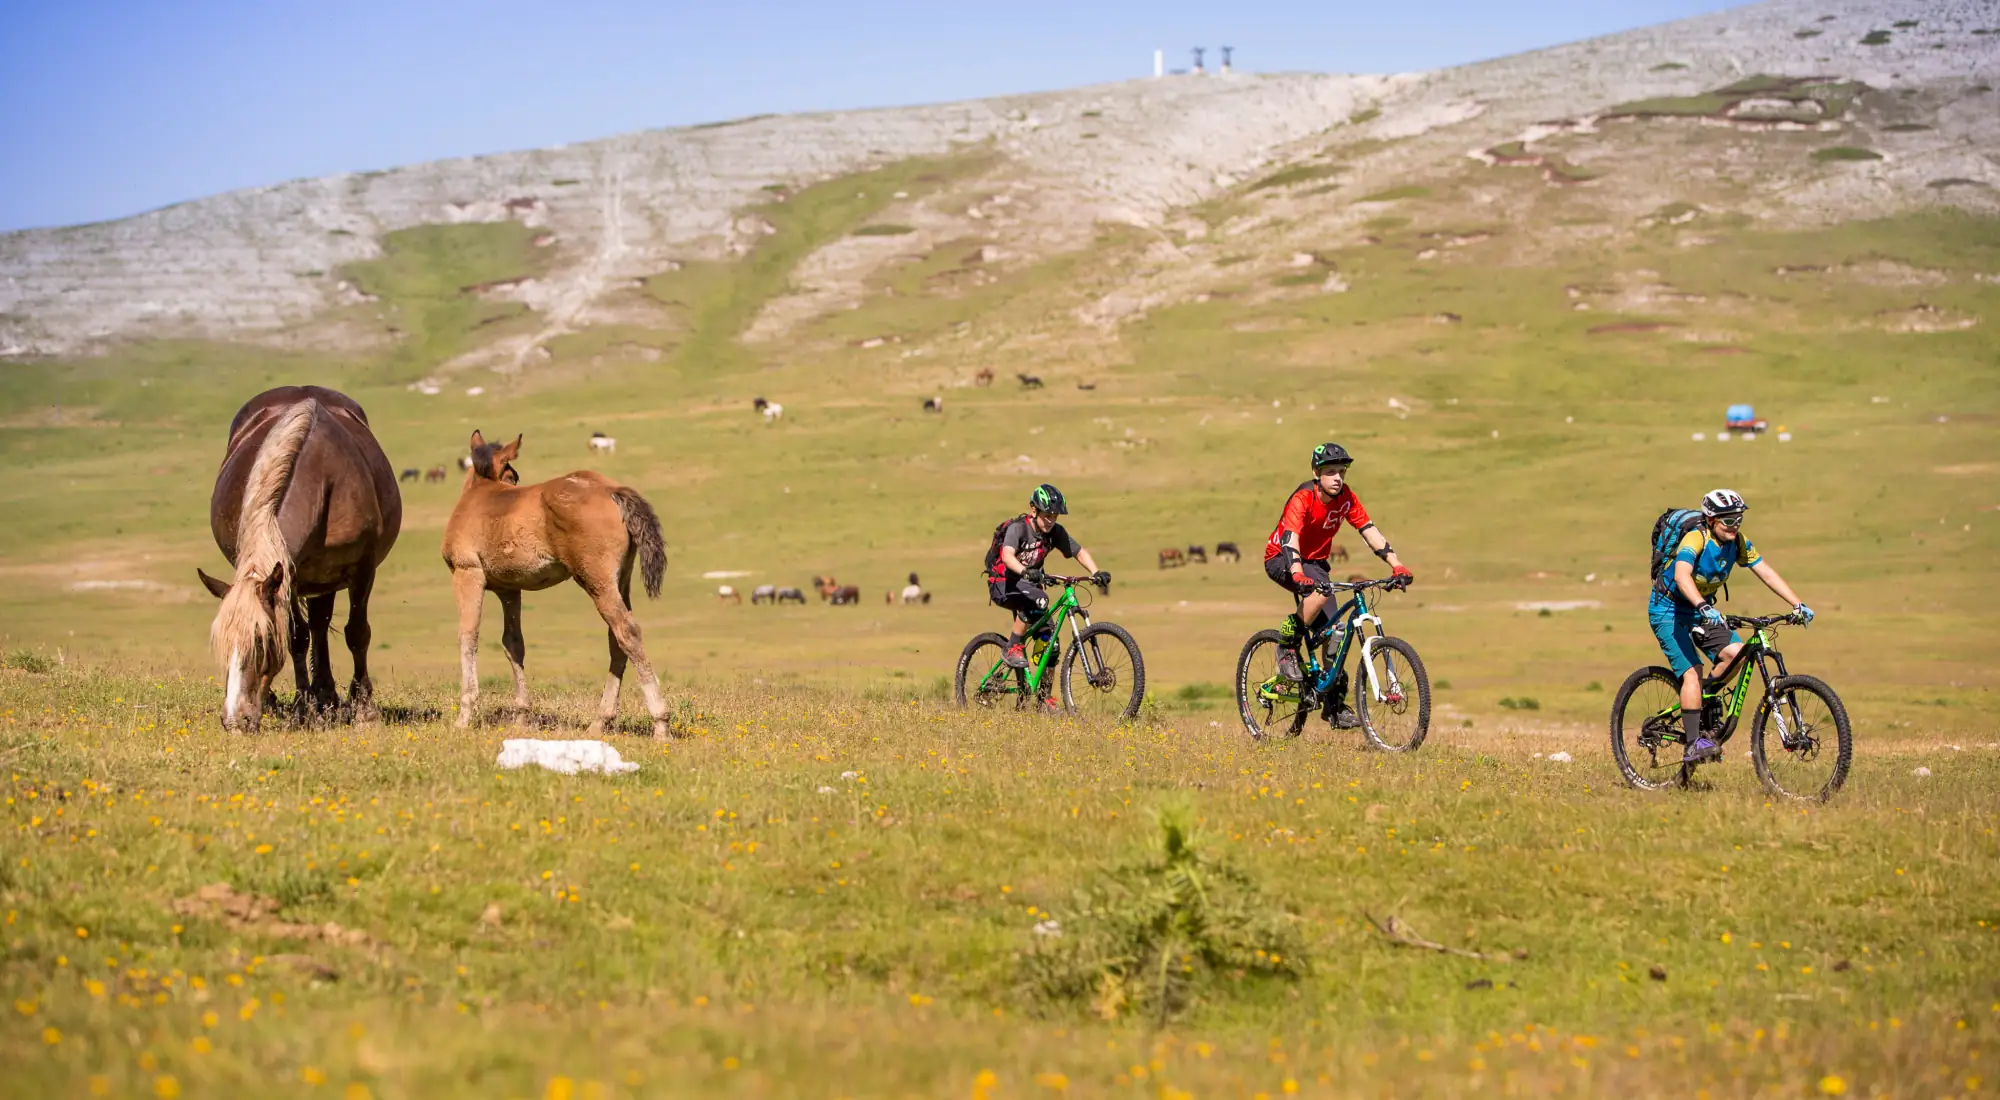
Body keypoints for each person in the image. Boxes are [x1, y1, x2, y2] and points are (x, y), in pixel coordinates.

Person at [1649, 488, 1814, 763]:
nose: (1734, 525)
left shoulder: (1737, 542)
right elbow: (1681, 576)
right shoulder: (1695, 538)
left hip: (1703, 610)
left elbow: (1765, 571)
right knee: (1692, 673)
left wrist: (1797, 604)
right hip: (1669, 609)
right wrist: (1703, 606)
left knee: (1736, 653)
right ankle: (1693, 743)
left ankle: (1706, 700)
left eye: (1738, 519)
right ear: (1711, 519)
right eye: (1728, 520)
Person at [1262, 443, 1412, 725]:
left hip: (1316, 565)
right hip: (1282, 558)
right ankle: (1287, 647)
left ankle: (1334, 705)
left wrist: (1396, 564)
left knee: (1337, 632)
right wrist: (1296, 572)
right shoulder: (1303, 498)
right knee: (1318, 593)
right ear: (1316, 473)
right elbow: (1290, 538)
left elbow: (1369, 530)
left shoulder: (1346, 498)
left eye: (1341, 472)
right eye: (1330, 472)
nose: (1337, 478)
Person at [985, 483, 1109, 670]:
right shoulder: (1018, 529)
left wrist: (1096, 572)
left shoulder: (1055, 532)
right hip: (1003, 584)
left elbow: (1079, 552)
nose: (1051, 521)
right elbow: (1007, 556)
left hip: (1028, 587)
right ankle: (1012, 648)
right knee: (1038, 599)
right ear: (1034, 510)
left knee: (1051, 644)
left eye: (1055, 516)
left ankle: (1043, 698)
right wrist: (1025, 571)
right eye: (1047, 516)